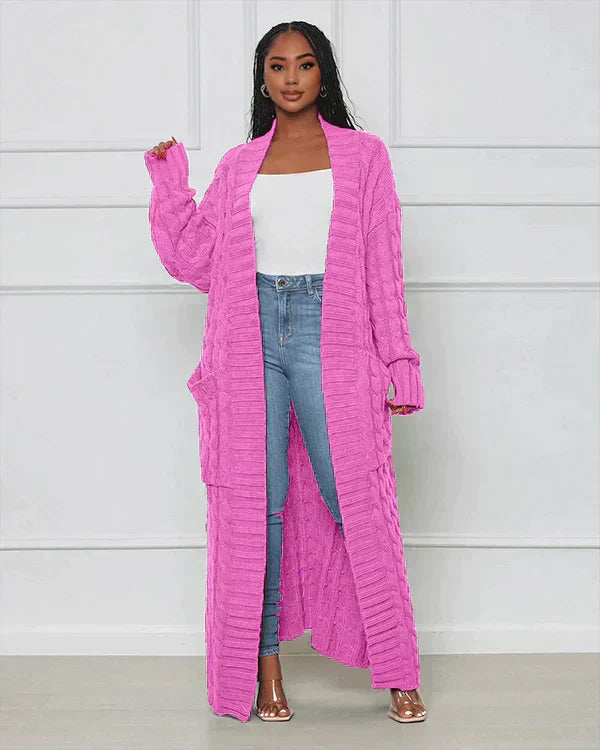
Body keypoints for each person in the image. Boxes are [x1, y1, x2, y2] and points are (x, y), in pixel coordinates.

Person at [146, 21, 426, 725]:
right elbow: (199, 260)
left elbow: (383, 264)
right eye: (278, 66)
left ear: (322, 73)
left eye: (304, 64)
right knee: (257, 507)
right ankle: (266, 670)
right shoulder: (240, 164)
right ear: (263, 77)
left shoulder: (364, 157)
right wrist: (170, 186)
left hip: (332, 333)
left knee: (354, 497)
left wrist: (399, 359)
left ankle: (397, 668)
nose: (291, 78)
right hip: (250, 339)